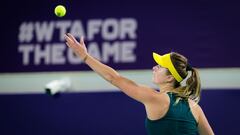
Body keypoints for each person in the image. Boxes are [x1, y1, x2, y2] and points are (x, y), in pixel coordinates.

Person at [64, 33, 214, 135]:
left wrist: (85, 56)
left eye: (160, 66)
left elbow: (113, 78)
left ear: (170, 78)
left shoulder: (156, 98)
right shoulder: (195, 108)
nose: (154, 67)